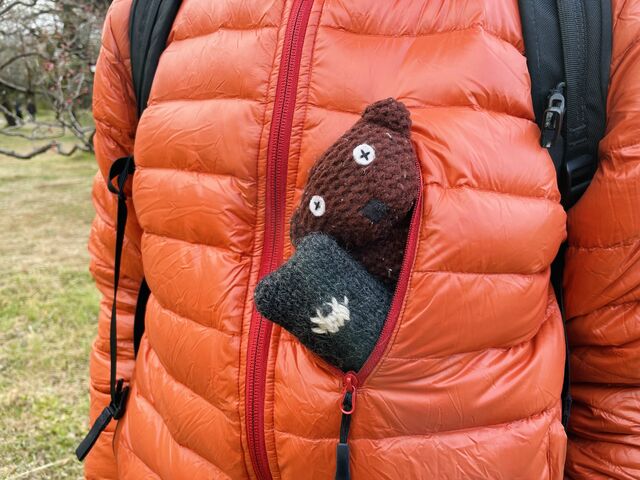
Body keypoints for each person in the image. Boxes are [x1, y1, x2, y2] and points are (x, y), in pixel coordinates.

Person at [84, 1, 640, 478]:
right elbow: (124, 302)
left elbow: (621, 365)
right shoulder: (148, 14)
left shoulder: (591, 19)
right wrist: (109, 463)